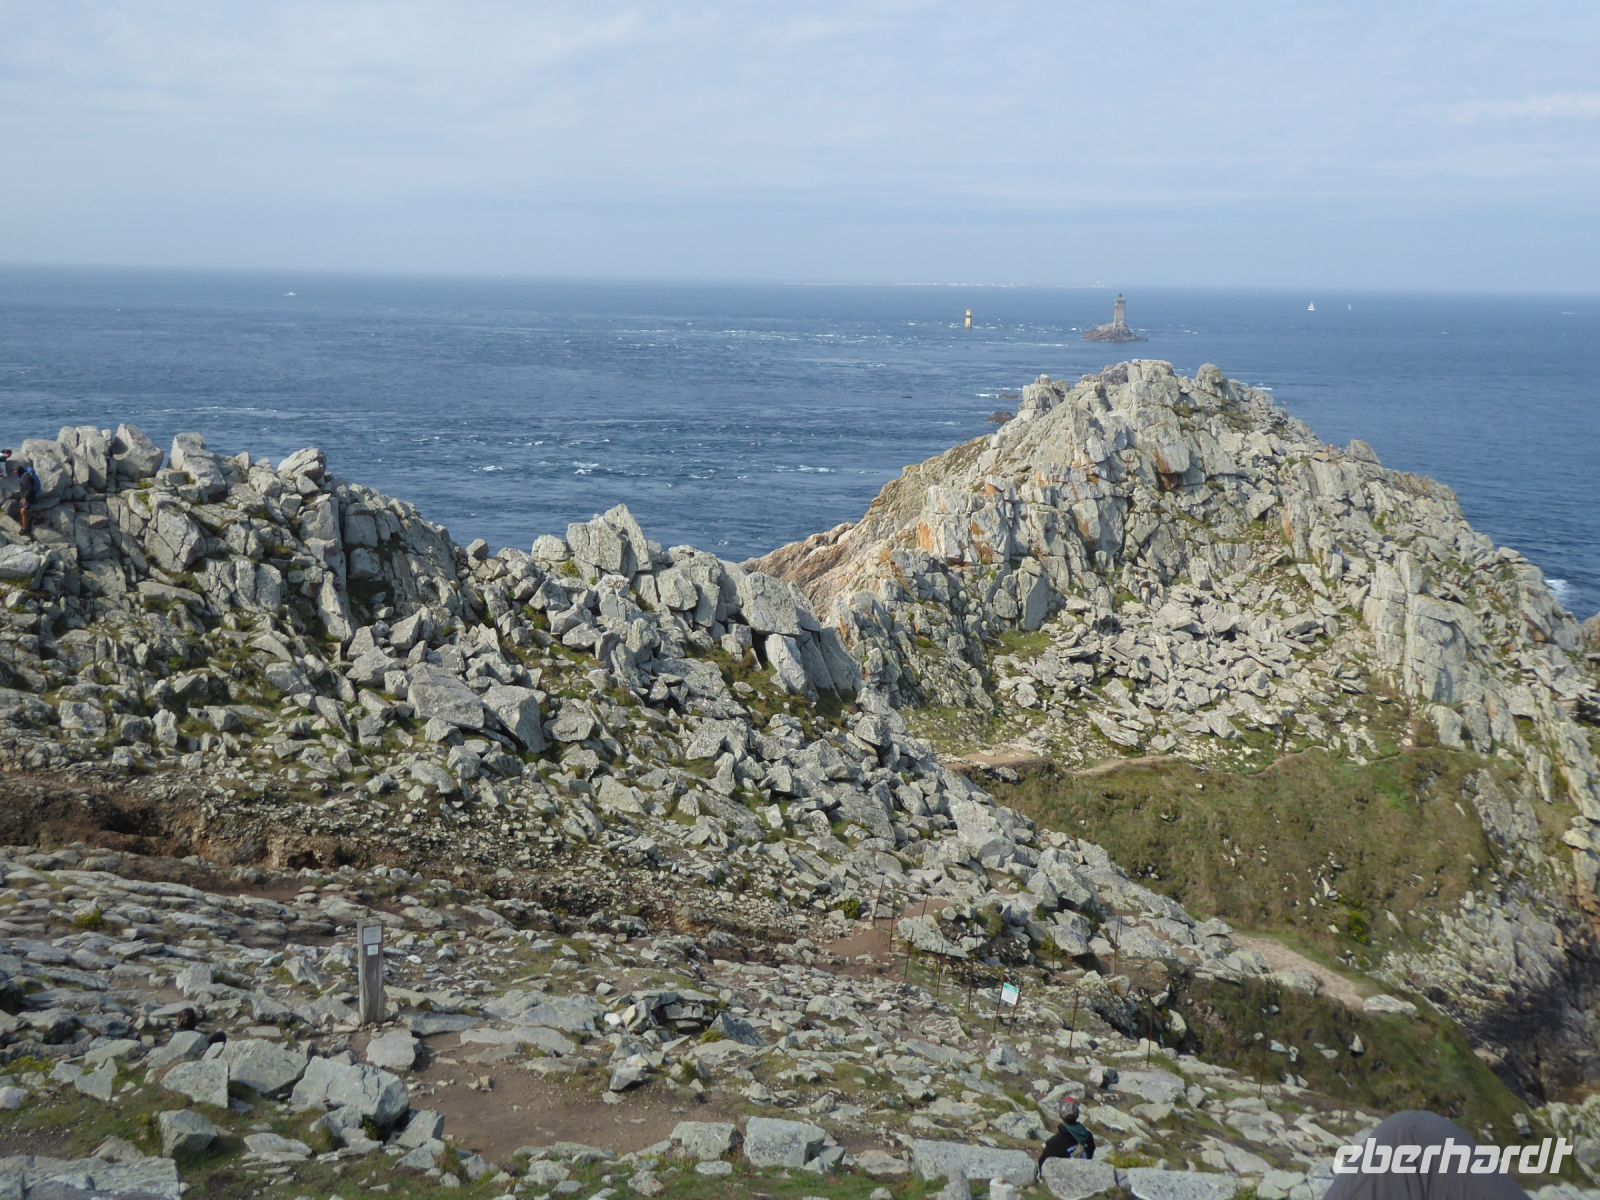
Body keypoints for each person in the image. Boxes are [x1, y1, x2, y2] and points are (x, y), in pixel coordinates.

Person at [1038, 1094, 1096, 1174]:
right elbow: (1090, 1155)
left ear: (1061, 1116)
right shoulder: (1088, 1136)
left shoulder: (1055, 1142)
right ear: (1077, 1115)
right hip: (1083, 1174)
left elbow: (1042, 1165)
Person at [1, 449, 40, 538]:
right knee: (20, 507)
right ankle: (29, 519)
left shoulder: (25, 477)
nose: (14, 473)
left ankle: (25, 528)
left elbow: (30, 489)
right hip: (26, 494)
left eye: (15, 472)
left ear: (18, 472)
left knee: (23, 511)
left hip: (30, 495)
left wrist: (25, 498)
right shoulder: (23, 475)